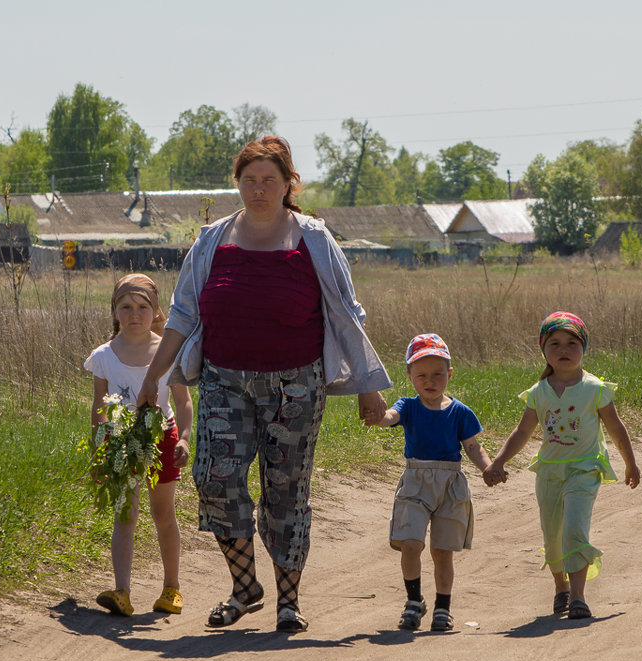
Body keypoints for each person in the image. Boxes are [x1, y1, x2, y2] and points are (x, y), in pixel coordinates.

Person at [137, 136, 391, 633]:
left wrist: (367, 385)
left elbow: (346, 315)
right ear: (237, 184)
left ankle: (288, 602)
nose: (258, 190)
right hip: (222, 382)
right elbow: (184, 313)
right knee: (213, 478)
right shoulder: (212, 239)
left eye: (269, 181)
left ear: (288, 184)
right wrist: (154, 377)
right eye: (249, 180)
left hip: (296, 386)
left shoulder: (314, 239)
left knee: (286, 490)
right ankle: (245, 587)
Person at [484, 311, 640, 620]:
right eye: (554, 343)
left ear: (584, 348)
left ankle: (579, 597)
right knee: (552, 536)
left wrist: (630, 464)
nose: (564, 349)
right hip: (550, 472)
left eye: (572, 342)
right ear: (543, 350)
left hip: (584, 470)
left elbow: (616, 428)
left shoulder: (594, 388)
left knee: (573, 530)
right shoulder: (539, 392)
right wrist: (499, 460)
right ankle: (561, 588)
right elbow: (522, 432)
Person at [365, 333, 496, 632]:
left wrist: (488, 467)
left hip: (450, 484)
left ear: (449, 374)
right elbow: (390, 417)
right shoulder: (409, 406)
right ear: (410, 376)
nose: (430, 381)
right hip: (416, 481)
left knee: (442, 551)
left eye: (438, 374)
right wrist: (377, 415)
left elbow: (473, 447)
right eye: (421, 374)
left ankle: (442, 607)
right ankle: (413, 602)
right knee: (410, 543)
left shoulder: (460, 411)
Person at [85, 273, 193, 617]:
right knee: (125, 514)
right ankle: (122, 592)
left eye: (143, 307)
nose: (135, 314)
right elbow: (100, 406)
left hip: (162, 437)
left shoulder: (167, 353)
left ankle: (171, 588)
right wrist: (99, 448)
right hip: (121, 442)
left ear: (156, 310)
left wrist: (186, 438)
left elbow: (184, 400)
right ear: (115, 311)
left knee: (163, 514)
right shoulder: (103, 356)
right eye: (126, 307)